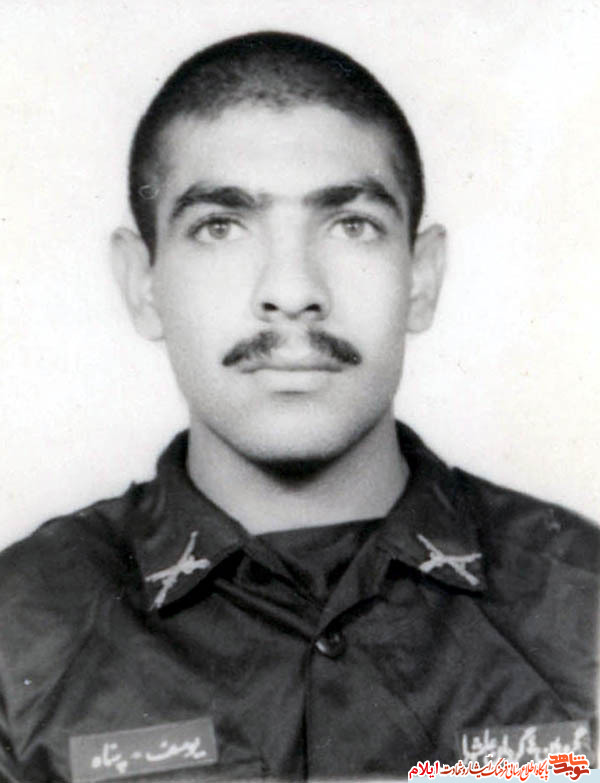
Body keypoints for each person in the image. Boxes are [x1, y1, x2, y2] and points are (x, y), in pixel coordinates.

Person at [0, 30, 597, 783]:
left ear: (420, 277)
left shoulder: (584, 603)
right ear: (142, 283)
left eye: (352, 225)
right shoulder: (18, 632)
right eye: (220, 226)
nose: (291, 290)